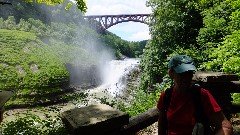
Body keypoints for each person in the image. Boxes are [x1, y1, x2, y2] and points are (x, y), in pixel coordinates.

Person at [156, 55, 233, 135]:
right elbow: (161, 125)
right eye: (181, 73)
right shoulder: (166, 96)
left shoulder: (202, 95)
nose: (186, 77)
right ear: (171, 74)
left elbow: (225, 127)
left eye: (189, 73)